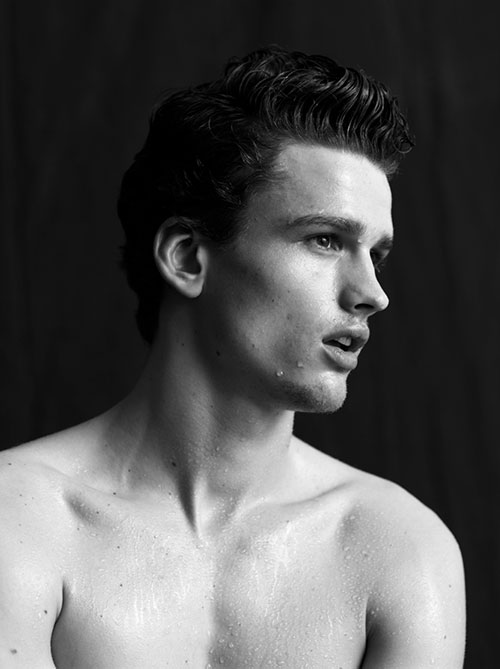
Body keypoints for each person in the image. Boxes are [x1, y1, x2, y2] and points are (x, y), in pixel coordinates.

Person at [0, 46, 465, 668]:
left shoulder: (398, 550)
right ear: (187, 257)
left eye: (375, 255)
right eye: (325, 240)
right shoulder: (19, 524)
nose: (372, 294)